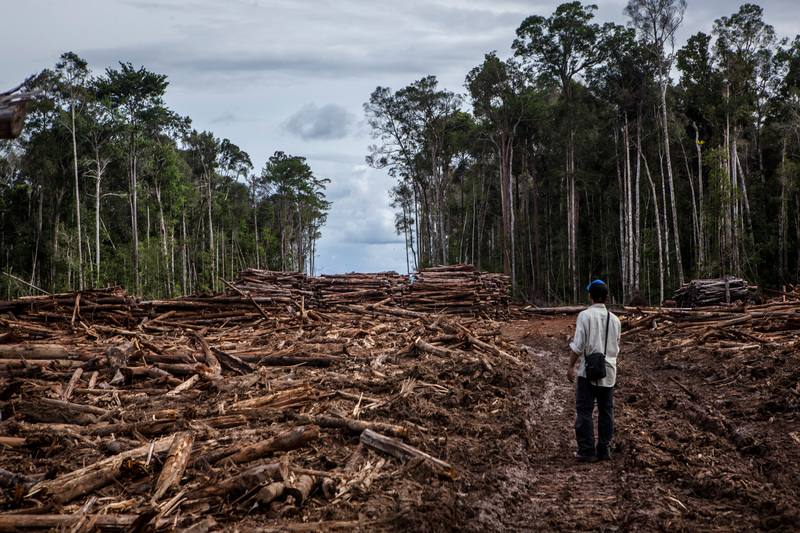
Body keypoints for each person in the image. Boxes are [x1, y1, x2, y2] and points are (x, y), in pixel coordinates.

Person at [567, 280, 621, 463]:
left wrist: (571, 366)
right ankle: (604, 450)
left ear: (590, 296)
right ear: (606, 298)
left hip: (588, 372)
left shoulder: (584, 316)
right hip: (609, 372)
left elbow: (578, 345)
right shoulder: (615, 320)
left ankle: (587, 450)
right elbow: (616, 345)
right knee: (607, 411)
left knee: (584, 410)